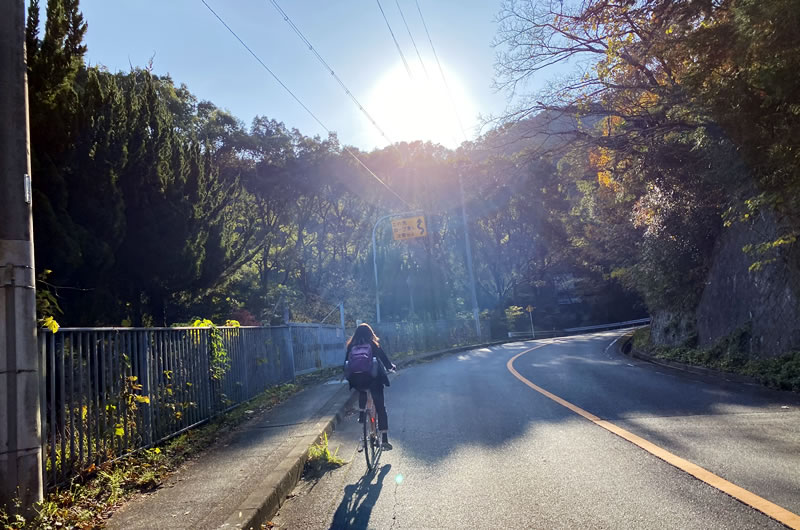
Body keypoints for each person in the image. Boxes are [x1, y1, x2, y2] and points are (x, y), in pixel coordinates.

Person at [344, 323, 396, 449]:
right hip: (374, 380)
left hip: (357, 380)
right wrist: (390, 367)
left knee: (362, 390)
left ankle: (362, 414)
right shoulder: (373, 344)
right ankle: (384, 438)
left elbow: (346, 363)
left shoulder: (351, 346)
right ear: (370, 333)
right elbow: (384, 359)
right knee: (380, 406)